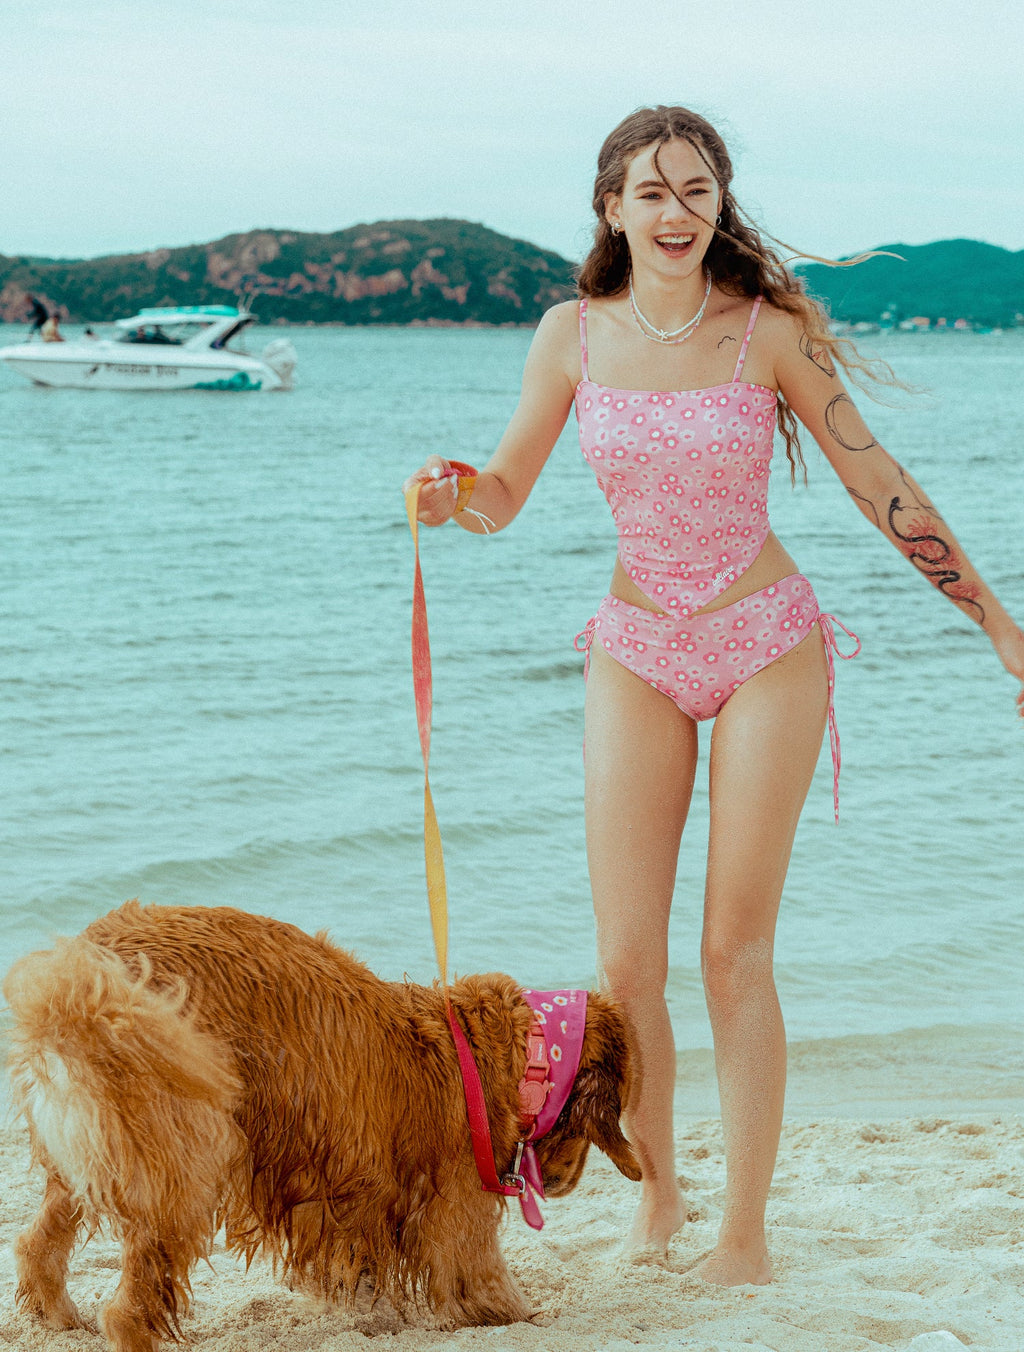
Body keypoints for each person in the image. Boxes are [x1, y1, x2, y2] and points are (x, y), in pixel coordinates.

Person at [402, 105, 1024, 1287]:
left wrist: (998, 624)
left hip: (765, 645)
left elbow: (876, 480)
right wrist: (451, 499)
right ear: (611, 208)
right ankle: (663, 1191)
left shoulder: (768, 332)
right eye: (650, 190)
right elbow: (505, 492)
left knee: (732, 952)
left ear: (717, 205)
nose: (674, 210)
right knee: (626, 966)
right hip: (635, 646)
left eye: (695, 189)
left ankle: (743, 1231)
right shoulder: (568, 334)